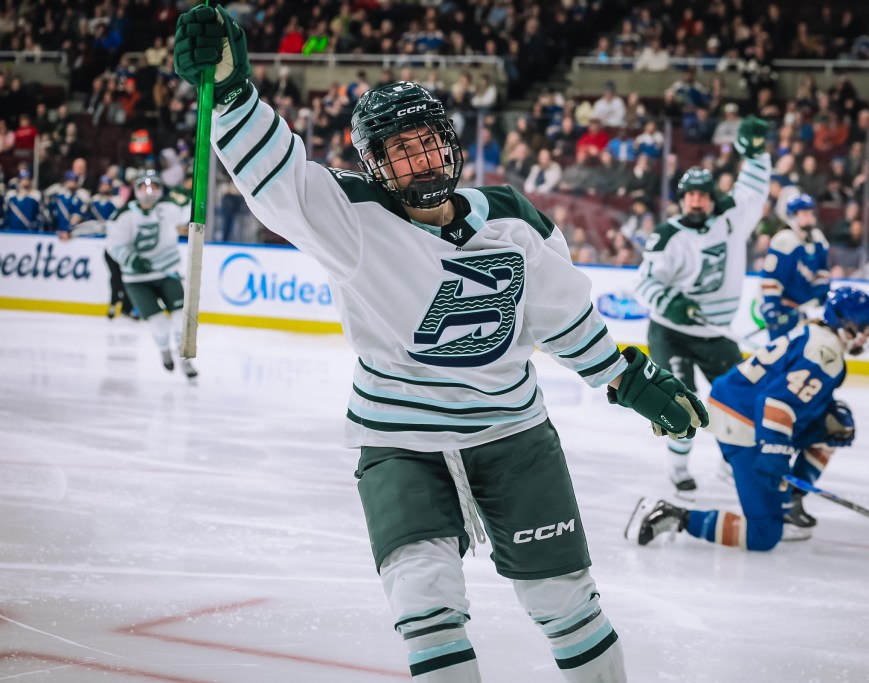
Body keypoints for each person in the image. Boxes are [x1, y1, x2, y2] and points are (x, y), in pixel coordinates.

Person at [173, 7, 710, 682]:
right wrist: (230, 96)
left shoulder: (515, 218)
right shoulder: (352, 221)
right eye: (399, 151)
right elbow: (279, 181)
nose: (419, 159)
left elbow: (563, 314)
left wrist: (626, 379)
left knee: (566, 602)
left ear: (449, 143)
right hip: (400, 441)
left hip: (513, 432)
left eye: (426, 142)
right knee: (424, 601)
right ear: (376, 165)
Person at [626, 286, 869, 550]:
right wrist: (774, 452)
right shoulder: (825, 352)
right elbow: (777, 402)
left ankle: (789, 501)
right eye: (865, 329)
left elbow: (794, 397)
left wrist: (828, 414)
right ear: (846, 326)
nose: (867, 336)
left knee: (835, 428)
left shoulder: (818, 336)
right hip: (742, 423)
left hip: (743, 408)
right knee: (764, 533)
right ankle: (670, 515)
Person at [634, 117, 771, 495]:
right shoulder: (667, 237)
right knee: (682, 402)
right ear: (682, 198)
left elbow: (753, 189)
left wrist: (756, 154)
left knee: (739, 398)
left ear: (712, 197)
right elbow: (643, 283)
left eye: (702, 194)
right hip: (672, 333)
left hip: (714, 334)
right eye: (689, 194)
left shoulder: (731, 221)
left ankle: (733, 461)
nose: (696, 200)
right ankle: (678, 467)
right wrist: (673, 303)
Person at [106, 171, 196, 378]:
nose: (149, 192)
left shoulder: (169, 207)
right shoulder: (123, 215)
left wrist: (188, 191)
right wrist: (132, 260)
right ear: (136, 190)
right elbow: (113, 245)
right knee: (160, 325)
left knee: (180, 320)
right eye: (144, 187)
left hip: (167, 273)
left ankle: (185, 360)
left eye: (154, 186)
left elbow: (188, 210)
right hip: (137, 280)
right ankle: (165, 350)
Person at [760, 194, 830, 340]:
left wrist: (821, 294)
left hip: (805, 312)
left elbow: (822, 272)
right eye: (804, 214)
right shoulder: (785, 240)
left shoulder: (818, 239)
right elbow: (771, 278)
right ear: (792, 217)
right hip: (784, 310)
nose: (810, 217)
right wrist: (771, 307)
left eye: (811, 213)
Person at [91, 175, 135, 319]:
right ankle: (114, 304)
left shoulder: (124, 209)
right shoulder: (119, 213)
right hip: (112, 251)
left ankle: (126, 308)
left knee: (127, 278)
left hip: (125, 250)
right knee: (116, 278)